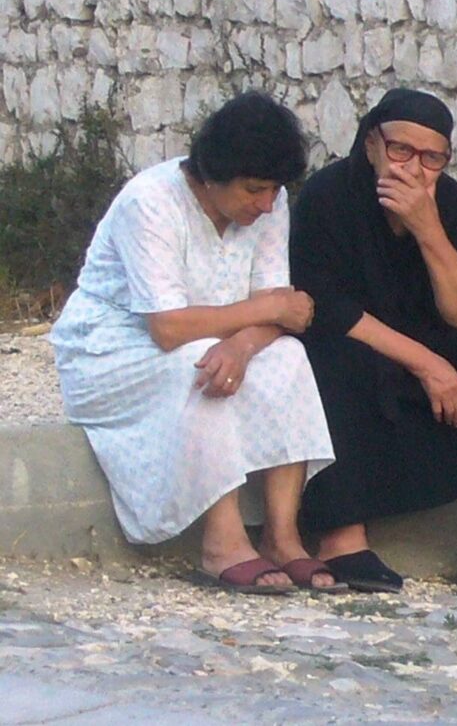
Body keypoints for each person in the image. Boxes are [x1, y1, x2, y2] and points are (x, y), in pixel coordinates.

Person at [50, 92, 339, 594]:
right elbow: (167, 327)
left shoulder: (271, 204)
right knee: (197, 362)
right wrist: (264, 315)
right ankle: (221, 542)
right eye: (253, 190)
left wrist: (245, 343)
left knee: (288, 357)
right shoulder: (151, 202)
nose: (265, 204)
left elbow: (282, 310)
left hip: (221, 337)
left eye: (273, 190)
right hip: (112, 350)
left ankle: (282, 535)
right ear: (212, 175)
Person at [290, 88, 457, 592]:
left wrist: (428, 231)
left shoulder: (454, 205)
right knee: (331, 362)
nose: (415, 169)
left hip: (427, 332)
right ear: (373, 143)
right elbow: (326, 305)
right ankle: (342, 536)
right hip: (351, 335)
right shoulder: (327, 197)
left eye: (431, 158)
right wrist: (425, 363)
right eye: (401, 151)